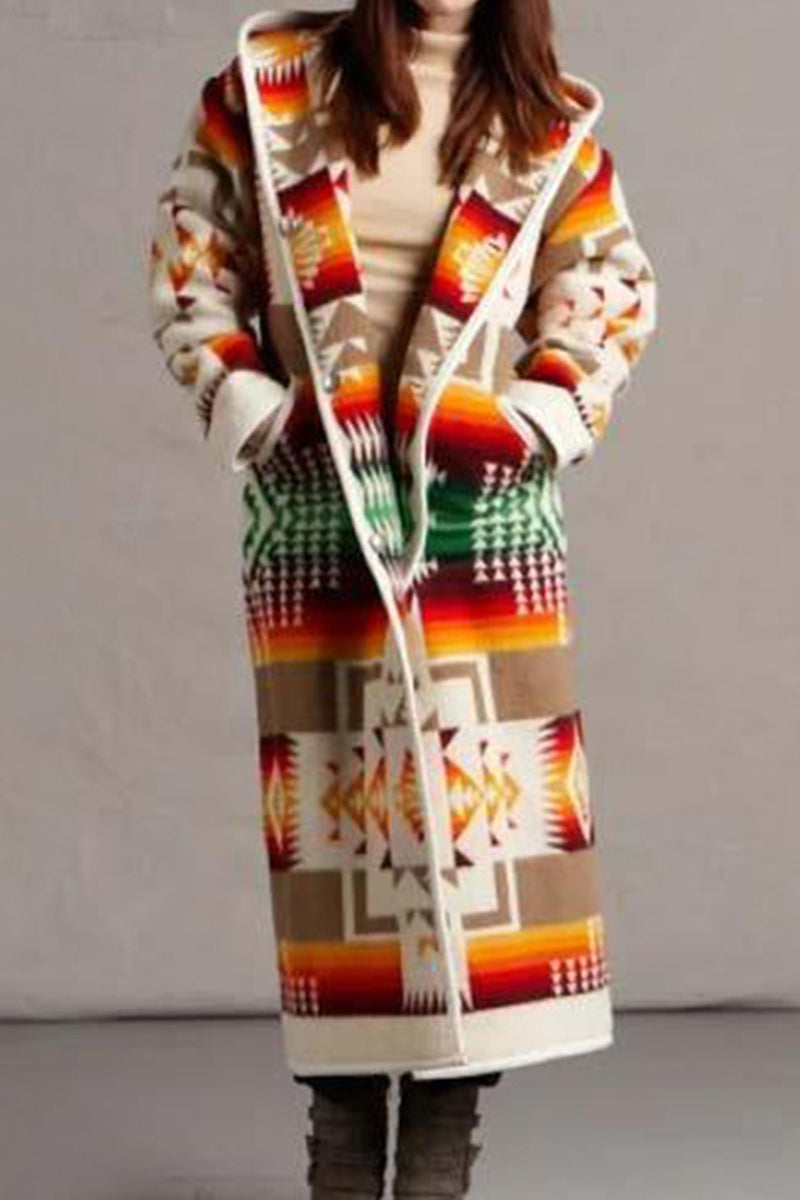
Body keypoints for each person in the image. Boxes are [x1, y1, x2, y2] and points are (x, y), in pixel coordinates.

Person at [147, 2, 658, 1197]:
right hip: (316, 515)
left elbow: (608, 284)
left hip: (484, 527)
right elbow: (188, 260)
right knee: (337, 841)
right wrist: (250, 405)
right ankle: (338, 1159)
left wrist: (539, 415)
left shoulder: (546, 124)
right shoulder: (268, 91)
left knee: (479, 847)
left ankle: (437, 1160)